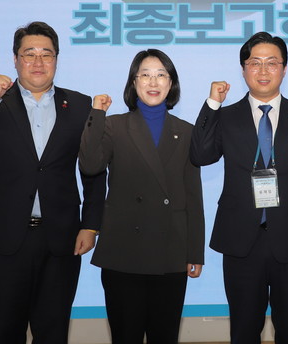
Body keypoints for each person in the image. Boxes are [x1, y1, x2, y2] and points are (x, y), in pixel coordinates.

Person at [0, 21, 105, 344]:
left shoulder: (79, 105)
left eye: (46, 54)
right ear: (15, 59)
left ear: (57, 59)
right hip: (2, 237)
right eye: (28, 54)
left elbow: (93, 170)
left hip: (60, 238)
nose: (38, 62)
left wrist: (90, 225)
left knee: (53, 332)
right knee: (5, 331)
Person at [189, 31, 288, 344]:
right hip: (241, 242)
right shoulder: (226, 116)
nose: (263, 70)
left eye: (272, 63)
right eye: (255, 63)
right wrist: (212, 103)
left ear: (284, 69)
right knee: (243, 331)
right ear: (243, 70)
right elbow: (199, 155)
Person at [79, 49, 205, 344]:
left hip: (170, 252)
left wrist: (195, 252)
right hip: (124, 252)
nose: (153, 82)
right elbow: (90, 165)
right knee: (126, 336)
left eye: (161, 75)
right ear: (133, 83)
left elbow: (193, 195)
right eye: (145, 75)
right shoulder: (113, 125)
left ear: (171, 83)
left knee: (165, 336)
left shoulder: (186, 132)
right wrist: (96, 114)